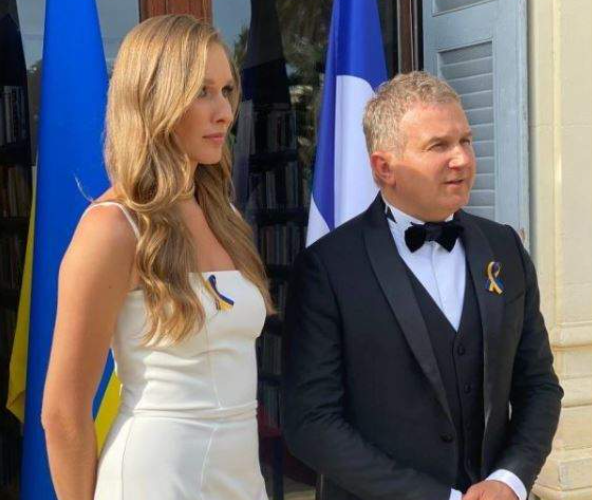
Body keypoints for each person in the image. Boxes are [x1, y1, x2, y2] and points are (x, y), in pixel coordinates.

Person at [283, 71, 562, 500]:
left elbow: (539, 386)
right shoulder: (328, 268)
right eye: (438, 146)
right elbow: (311, 423)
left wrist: (510, 480)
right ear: (384, 168)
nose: (462, 159)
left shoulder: (504, 247)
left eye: (465, 140)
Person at [41, 15, 273, 500]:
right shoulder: (112, 228)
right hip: (155, 479)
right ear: (154, 99)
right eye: (202, 92)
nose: (224, 112)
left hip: (241, 479)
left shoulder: (225, 216)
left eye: (226, 90)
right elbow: (62, 413)